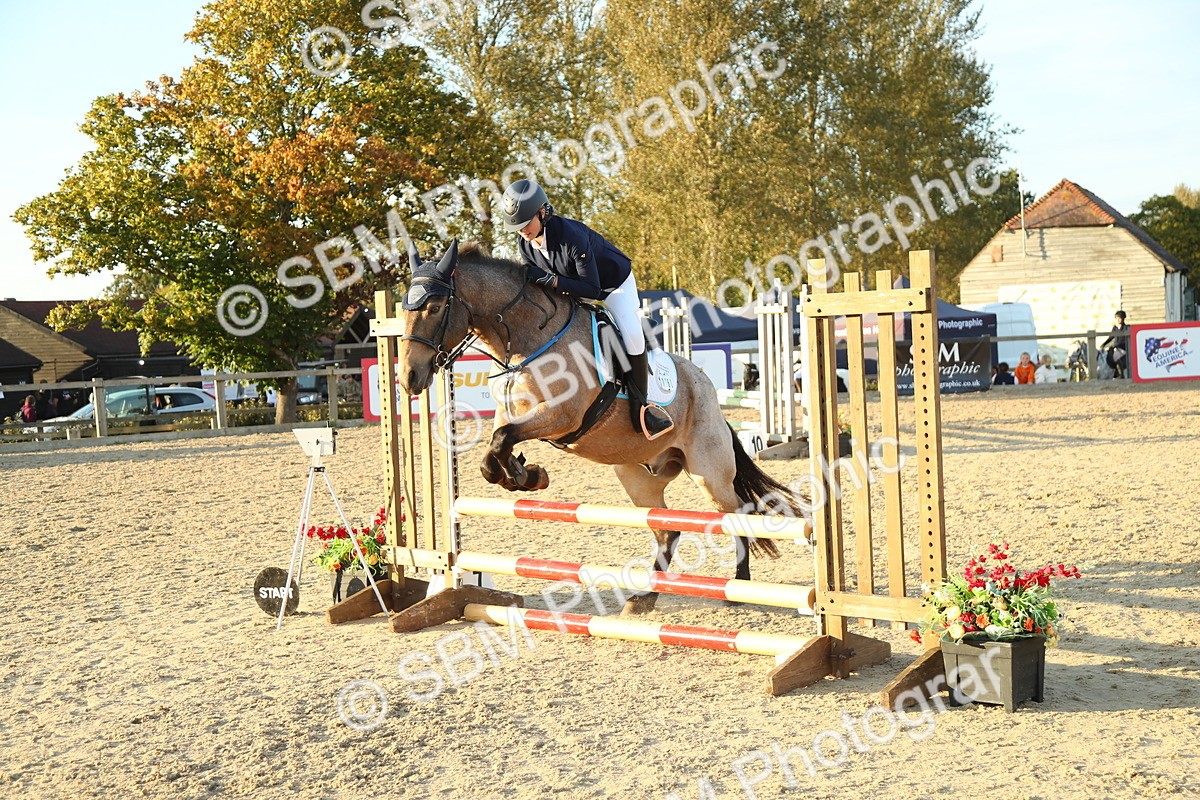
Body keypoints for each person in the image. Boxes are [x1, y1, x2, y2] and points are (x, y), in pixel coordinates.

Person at [499, 179, 673, 439]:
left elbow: (592, 289)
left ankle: (643, 409)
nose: (522, 230)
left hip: (612, 286)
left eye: (525, 222)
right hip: (570, 289)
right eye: (517, 225)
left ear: (542, 212)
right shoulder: (526, 244)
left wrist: (554, 281)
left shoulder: (571, 238)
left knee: (633, 336)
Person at [1100, 310, 1130, 378]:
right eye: (1116, 318)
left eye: (1119, 318)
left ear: (1123, 318)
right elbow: (1111, 337)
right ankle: (1113, 371)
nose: (1118, 320)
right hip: (1115, 347)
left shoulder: (1127, 328)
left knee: (1116, 355)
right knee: (1108, 354)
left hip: (1123, 348)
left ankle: (1121, 374)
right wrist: (1104, 344)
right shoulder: (1115, 328)